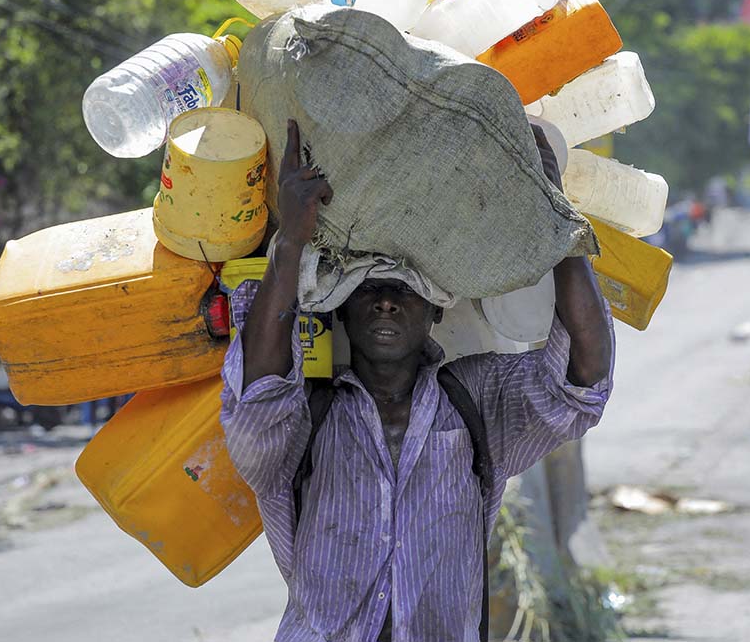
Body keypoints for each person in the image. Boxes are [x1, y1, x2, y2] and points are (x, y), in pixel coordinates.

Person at [220, 120, 615, 642]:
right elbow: (259, 395)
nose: (386, 301)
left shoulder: (475, 402)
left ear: (433, 312)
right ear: (340, 311)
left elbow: (582, 379)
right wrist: (291, 240)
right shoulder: (306, 420)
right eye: (369, 288)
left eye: (405, 290)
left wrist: (557, 222)